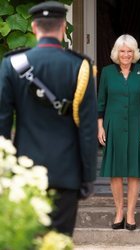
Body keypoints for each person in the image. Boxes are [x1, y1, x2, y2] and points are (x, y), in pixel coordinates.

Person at [0, 1, 98, 236]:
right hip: (67, 173)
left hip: (26, 174)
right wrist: (88, 177)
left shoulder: (11, 64)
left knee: (29, 241)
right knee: (60, 241)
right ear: (63, 27)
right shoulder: (80, 66)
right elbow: (87, 128)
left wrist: (4, 174)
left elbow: (2, 125)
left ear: (34, 28)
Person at [97, 34, 140, 230]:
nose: (126, 55)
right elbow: (101, 101)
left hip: (137, 124)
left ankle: (130, 214)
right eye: (122, 51)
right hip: (113, 125)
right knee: (115, 171)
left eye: (130, 51)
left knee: (134, 172)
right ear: (116, 53)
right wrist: (100, 126)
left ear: (134, 53)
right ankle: (119, 211)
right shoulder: (107, 72)